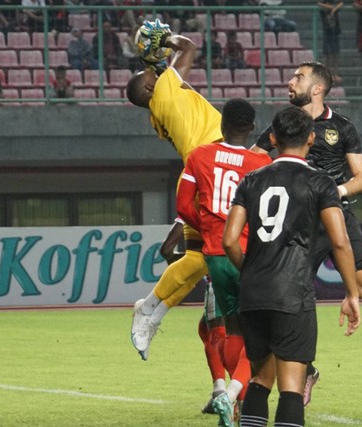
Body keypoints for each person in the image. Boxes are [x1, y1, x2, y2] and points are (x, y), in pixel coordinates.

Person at [253, 62, 362, 408]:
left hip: (336, 212)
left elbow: (361, 177)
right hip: (299, 220)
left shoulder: (342, 126)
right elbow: (254, 159)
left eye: (298, 77)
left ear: (317, 88)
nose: (290, 82)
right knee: (288, 292)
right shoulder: (285, 124)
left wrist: (334, 192)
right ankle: (308, 370)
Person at [223, 106, 361, 427]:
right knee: (291, 388)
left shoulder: (251, 180)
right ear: (312, 137)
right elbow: (340, 241)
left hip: (253, 292)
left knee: (259, 379)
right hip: (293, 293)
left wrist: (249, 271)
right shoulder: (321, 183)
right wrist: (352, 293)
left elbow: (229, 240)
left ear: (272, 138)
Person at [126, 26, 224, 361]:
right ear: (151, 86)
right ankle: (149, 309)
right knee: (202, 256)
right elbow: (190, 46)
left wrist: (153, 57)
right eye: (149, 75)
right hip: (212, 168)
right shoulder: (164, 91)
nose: (154, 73)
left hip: (202, 170)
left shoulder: (159, 110)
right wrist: (163, 40)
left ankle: (151, 311)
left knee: (198, 257)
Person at [176, 99, 272, 426]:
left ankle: (231, 407)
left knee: (231, 327)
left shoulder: (199, 156)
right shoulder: (260, 164)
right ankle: (233, 397)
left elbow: (182, 205)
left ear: (222, 125)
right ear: (251, 127)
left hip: (216, 254)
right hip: (247, 255)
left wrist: (206, 227)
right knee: (260, 335)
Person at [158, 217, 230, 415]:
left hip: (221, 275)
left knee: (219, 334)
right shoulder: (236, 201)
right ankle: (224, 392)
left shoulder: (196, 207)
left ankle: (230, 395)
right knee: (207, 329)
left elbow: (166, 249)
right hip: (250, 274)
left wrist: (189, 265)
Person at [318, 0, 343, 81]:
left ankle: (335, 73)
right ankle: (327, 74)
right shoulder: (323, 11)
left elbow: (341, 4)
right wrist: (332, 8)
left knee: (335, 55)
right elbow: (319, 4)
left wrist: (334, 10)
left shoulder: (334, 10)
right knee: (327, 55)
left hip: (334, 33)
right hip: (327, 33)